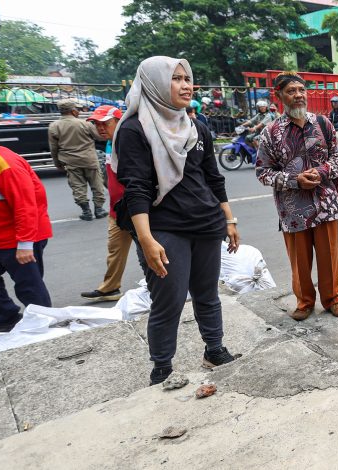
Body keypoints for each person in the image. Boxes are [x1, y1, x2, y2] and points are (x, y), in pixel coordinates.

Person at [112, 56, 239, 385]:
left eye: (188, 78)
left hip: (207, 224)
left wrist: (229, 219)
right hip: (164, 229)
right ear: (154, 83)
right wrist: (146, 239)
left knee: (207, 294)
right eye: (177, 78)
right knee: (168, 301)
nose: (187, 85)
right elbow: (136, 188)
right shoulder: (134, 128)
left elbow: (213, 178)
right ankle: (162, 366)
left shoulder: (196, 127)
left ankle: (215, 349)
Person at [256, 72, 338, 321]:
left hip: (326, 204)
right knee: (299, 261)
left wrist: (321, 172)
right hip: (293, 208)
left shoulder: (322, 123)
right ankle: (304, 301)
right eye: (291, 91)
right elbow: (263, 172)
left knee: (330, 255)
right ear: (279, 96)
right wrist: (294, 180)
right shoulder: (271, 132)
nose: (298, 95)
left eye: (301, 90)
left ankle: (333, 299)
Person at [0, 133, 53, 333]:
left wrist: (25, 244)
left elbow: (26, 207)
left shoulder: (4, 165)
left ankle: (43, 325)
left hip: (18, 238)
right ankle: (8, 316)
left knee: (29, 286)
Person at [80, 106, 131, 302]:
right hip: (116, 210)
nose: (100, 128)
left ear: (118, 122)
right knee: (115, 249)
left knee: (150, 251)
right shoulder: (109, 144)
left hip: (135, 209)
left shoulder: (128, 143)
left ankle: (171, 286)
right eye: (96, 124)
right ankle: (110, 288)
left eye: (105, 123)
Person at [49, 99, 107, 221]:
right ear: (73, 111)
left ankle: (86, 212)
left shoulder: (54, 126)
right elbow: (99, 138)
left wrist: (57, 163)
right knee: (97, 184)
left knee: (78, 187)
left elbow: (53, 148)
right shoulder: (85, 124)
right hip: (89, 160)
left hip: (70, 162)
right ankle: (99, 209)